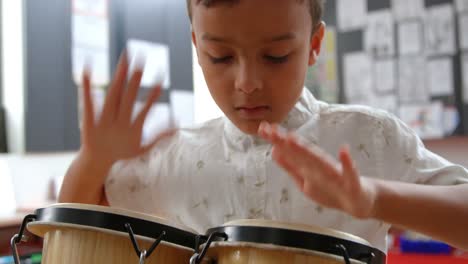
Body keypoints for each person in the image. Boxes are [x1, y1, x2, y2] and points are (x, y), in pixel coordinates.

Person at [59, 0, 468, 252]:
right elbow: (73, 235)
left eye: (275, 56)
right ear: (196, 48)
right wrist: (94, 161)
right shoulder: (174, 158)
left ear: (313, 45)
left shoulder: (368, 136)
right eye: (220, 56)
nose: (247, 82)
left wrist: (374, 197)